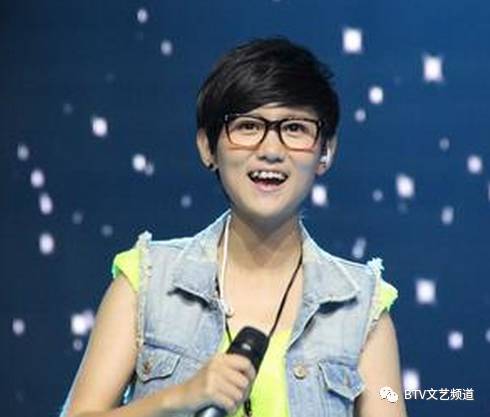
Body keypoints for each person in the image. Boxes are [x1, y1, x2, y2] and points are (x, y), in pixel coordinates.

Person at [61, 37, 408, 417]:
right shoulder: (148, 282)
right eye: (248, 126)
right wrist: (179, 398)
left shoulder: (360, 307)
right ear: (207, 147)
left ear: (325, 150)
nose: (271, 150)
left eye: (295, 128)